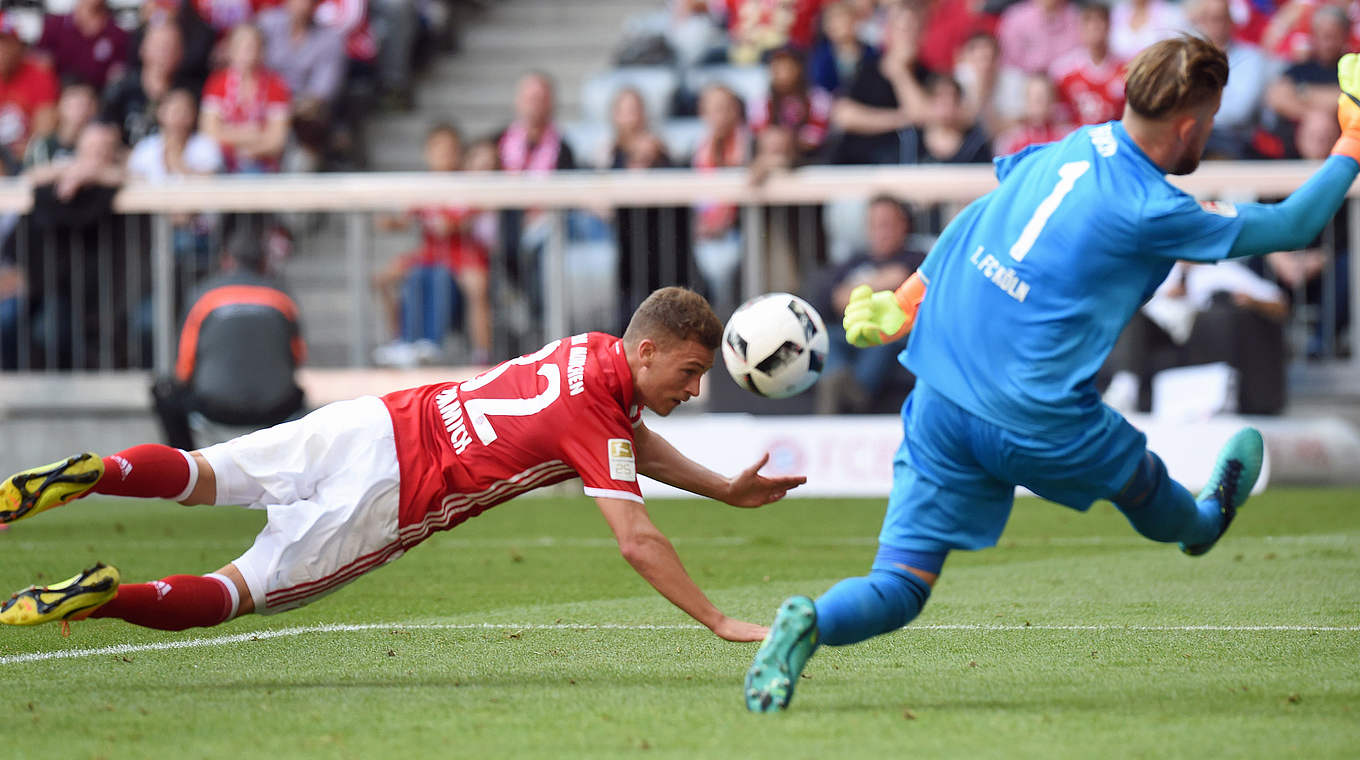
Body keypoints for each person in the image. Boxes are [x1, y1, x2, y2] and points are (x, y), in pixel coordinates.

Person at [742, 35, 1360, 712]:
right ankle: (1203, 524)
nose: (1207, 134)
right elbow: (1294, 223)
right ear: (1189, 123)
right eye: (1208, 123)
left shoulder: (1076, 145)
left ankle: (810, 619)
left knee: (901, 583)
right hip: (1038, 416)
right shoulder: (1153, 207)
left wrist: (907, 298)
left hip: (942, 394)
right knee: (1144, 486)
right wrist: (1351, 140)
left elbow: (981, 214)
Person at [0, 287, 802, 643]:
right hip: (394, 496)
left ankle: (98, 470)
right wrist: (719, 619)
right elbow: (635, 538)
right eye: (690, 374)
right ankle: (103, 601)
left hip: (373, 422)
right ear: (650, 350)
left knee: (201, 471)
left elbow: (627, 438)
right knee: (238, 591)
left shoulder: (594, 354)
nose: (695, 390)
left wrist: (721, 488)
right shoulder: (594, 412)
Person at [150, 230, 306, 450]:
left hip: (216, 408)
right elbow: (298, 357)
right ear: (263, 262)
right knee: (300, 394)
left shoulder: (204, 295)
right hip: (276, 408)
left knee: (164, 392)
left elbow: (184, 367)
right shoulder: (282, 297)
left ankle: (190, 469)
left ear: (226, 260)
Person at [372, 124, 493, 367]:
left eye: (449, 149)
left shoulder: (467, 184)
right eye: (438, 149)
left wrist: (452, 224)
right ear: (428, 152)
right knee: (384, 279)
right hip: (429, 254)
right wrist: (390, 223)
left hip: (461, 254)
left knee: (474, 286)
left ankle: (481, 353)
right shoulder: (423, 186)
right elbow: (406, 219)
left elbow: (466, 219)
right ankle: (402, 340)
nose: (444, 154)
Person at [813, 194, 924, 415]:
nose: (881, 232)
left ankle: (855, 393)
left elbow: (902, 277)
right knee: (823, 338)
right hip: (850, 331)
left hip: (892, 333)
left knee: (881, 338)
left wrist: (859, 288)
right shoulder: (853, 261)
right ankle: (840, 382)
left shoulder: (916, 258)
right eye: (874, 225)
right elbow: (834, 299)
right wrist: (882, 282)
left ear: (903, 225)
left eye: (887, 224)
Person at [200, 23, 292, 173]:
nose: (247, 51)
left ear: (262, 50)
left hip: (262, 163)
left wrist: (239, 142)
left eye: (252, 45)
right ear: (230, 50)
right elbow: (209, 131)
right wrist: (251, 134)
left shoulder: (276, 85)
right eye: (241, 45)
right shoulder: (217, 83)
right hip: (222, 163)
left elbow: (277, 139)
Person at [0, 14, 59, 173]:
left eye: (6, 43)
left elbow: (45, 126)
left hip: (27, 156)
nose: (2, 50)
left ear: (19, 45)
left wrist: (29, 147)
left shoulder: (38, 74)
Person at [34, 0, 129, 89]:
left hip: (97, 95)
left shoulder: (116, 34)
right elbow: (39, 62)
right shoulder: (55, 25)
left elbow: (118, 73)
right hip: (59, 91)